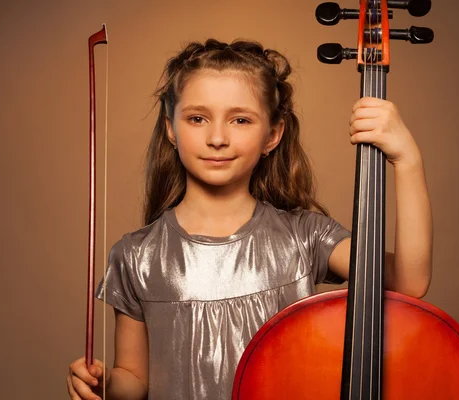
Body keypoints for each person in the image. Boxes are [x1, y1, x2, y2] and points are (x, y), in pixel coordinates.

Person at [66, 38, 432, 400]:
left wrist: (407, 159)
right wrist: (106, 384)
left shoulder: (303, 235)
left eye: (240, 120)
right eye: (197, 118)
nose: (218, 138)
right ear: (170, 129)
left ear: (272, 135)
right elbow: (135, 378)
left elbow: (408, 281)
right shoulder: (136, 255)